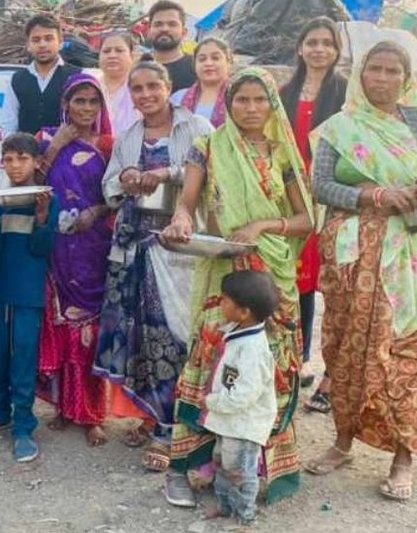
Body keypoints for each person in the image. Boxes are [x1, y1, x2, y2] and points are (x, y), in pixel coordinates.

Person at [305, 41, 417, 502]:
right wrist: (373, 196)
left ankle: (403, 456)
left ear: (406, 77)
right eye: (374, 69)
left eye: (393, 71)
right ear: (360, 75)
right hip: (353, 256)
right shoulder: (340, 128)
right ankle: (342, 441)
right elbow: (321, 186)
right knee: (346, 347)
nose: (382, 78)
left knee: (409, 351)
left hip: (411, 257)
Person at [161, 67, 313, 508]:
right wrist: (182, 219)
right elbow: (187, 202)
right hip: (224, 276)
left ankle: (257, 464)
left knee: (272, 369)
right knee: (209, 362)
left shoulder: (282, 153)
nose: (250, 108)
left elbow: (307, 220)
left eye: (259, 100)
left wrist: (263, 223)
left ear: (271, 104)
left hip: (271, 278)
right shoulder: (208, 146)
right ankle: (185, 466)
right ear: (229, 103)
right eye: (242, 100)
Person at [93, 61, 213, 472]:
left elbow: (213, 173)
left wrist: (168, 172)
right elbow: (108, 188)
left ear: (168, 87)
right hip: (132, 248)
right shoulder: (130, 136)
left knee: (175, 333)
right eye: (137, 89)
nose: (145, 95)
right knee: (140, 334)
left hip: (178, 248)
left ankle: (174, 427)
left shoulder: (197, 128)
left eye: (152, 86)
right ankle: (152, 416)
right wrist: (125, 174)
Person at [35, 73, 114, 445]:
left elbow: (118, 197)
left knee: (90, 333)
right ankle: (63, 407)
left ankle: (94, 414)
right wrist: (57, 147)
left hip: (94, 248)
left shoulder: (109, 144)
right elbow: (30, 182)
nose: (85, 108)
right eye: (78, 100)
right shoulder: (47, 138)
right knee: (62, 326)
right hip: (58, 249)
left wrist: (95, 213)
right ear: (65, 104)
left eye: (92, 101)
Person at [0, 133, 58, 463]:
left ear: (37, 162)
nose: (15, 165)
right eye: (8, 159)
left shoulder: (47, 199)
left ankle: (23, 425)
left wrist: (41, 220)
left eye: (22, 158)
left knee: (23, 356)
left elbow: (42, 249)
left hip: (30, 293)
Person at [278, 16, 348, 403]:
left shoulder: (345, 94)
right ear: (300, 48)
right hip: (294, 198)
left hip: (333, 199)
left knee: (334, 285)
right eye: (312, 42)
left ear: (336, 50)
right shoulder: (285, 92)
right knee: (298, 280)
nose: (319, 49)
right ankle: (299, 362)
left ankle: (332, 376)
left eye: (327, 43)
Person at [202, 271, 279, 526]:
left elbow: (243, 395)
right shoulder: (239, 332)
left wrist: (211, 401)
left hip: (243, 425)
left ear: (244, 312)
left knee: (240, 473)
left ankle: (244, 517)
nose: (220, 303)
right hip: (230, 423)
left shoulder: (253, 350)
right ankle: (226, 507)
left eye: (225, 300)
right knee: (223, 465)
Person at [1, 14, 82, 136]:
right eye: (36, 40)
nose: (42, 44)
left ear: (60, 43)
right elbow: (9, 125)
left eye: (48, 38)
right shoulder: (17, 80)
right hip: (27, 153)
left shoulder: (77, 77)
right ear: (28, 45)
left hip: (67, 152)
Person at [171, 38, 233, 127]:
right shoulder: (177, 99)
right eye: (202, 59)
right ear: (194, 65)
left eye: (215, 58)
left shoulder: (238, 97)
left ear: (228, 63)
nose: (208, 63)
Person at [145, 1, 195, 92]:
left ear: (184, 32)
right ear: (149, 31)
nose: (165, 29)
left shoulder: (197, 68)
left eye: (172, 24)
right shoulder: (138, 68)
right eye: (158, 24)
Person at [98, 30, 140, 136]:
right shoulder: (90, 86)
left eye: (119, 50)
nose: (112, 55)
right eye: (106, 51)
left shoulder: (141, 89)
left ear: (132, 56)